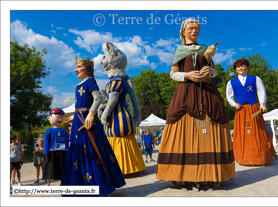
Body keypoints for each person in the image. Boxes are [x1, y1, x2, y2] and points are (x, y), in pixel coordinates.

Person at [156, 18, 235, 192]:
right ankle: (184, 175)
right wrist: (188, 75)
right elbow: (172, 74)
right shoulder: (180, 50)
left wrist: (210, 71)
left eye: (197, 28)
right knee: (179, 126)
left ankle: (210, 174)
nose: (194, 31)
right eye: (191, 28)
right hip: (186, 93)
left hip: (207, 93)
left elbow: (214, 71)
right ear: (184, 32)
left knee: (209, 129)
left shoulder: (205, 50)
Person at [61, 57, 125, 196]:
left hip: (88, 122)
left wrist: (90, 114)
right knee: (80, 153)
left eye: (78, 67)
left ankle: (101, 187)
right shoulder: (78, 85)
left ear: (86, 68)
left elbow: (98, 98)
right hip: (80, 119)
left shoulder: (90, 81)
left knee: (92, 151)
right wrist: (75, 115)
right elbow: (81, 104)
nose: (75, 70)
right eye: (76, 67)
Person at [99, 42, 146, 175]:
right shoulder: (121, 80)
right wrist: (104, 106)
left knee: (117, 136)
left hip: (118, 117)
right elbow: (113, 100)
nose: (102, 61)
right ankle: (132, 165)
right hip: (122, 115)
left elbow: (113, 99)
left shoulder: (115, 81)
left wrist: (104, 114)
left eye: (104, 57)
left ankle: (120, 168)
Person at [226, 59, 276, 166]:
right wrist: (234, 104)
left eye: (243, 66)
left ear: (247, 68)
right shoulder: (231, 82)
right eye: (238, 67)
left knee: (258, 130)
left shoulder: (255, 78)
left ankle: (262, 157)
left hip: (253, 108)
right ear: (235, 69)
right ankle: (243, 158)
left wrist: (262, 104)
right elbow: (229, 96)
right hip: (240, 110)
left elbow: (261, 91)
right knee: (242, 133)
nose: (241, 68)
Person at [42, 108, 69, 186]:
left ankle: (63, 182)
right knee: (51, 168)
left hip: (63, 151)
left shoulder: (64, 131)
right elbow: (46, 142)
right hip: (52, 151)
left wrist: (68, 150)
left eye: (62, 116)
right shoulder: (49, 130)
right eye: (57, 115)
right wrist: (46, 152)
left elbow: (67, 141)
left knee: (63, 168)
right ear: (49, 118)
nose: (60, 118)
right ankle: (49, 182)